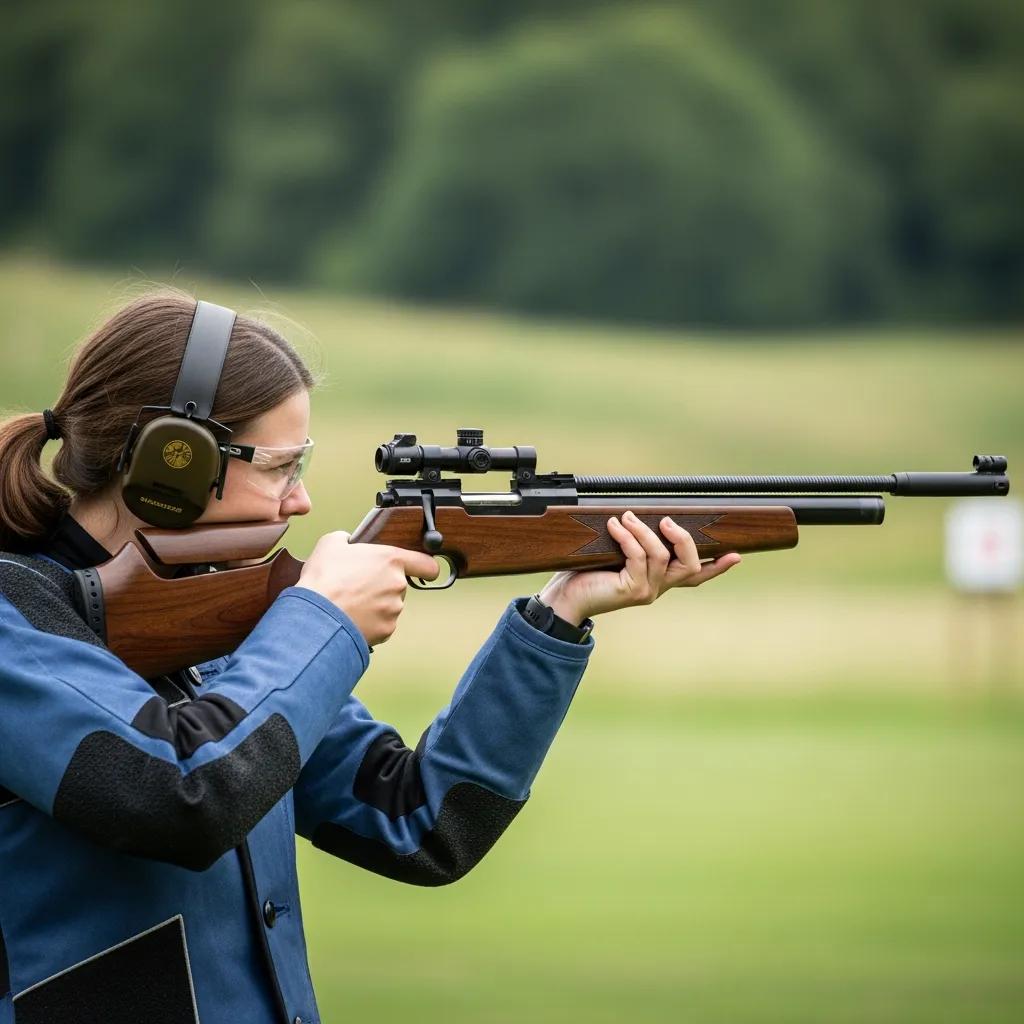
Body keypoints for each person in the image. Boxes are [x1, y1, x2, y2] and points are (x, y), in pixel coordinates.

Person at [0, 292, 740, 1024]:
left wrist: (559, 615)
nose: (300, 501)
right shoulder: (13, 619)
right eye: (282, 467)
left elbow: (421, 822)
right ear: (175, 463)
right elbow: (181, 795)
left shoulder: (215, 629)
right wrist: (322, 620)